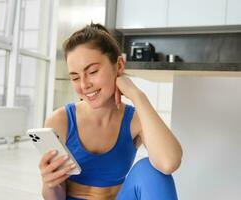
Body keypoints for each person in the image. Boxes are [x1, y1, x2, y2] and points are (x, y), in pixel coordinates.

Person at [39, 23, 183, 200]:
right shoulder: (60, 121)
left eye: (92, 71)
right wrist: (49, 182)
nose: (84, 85)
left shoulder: (134, 120)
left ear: (119, 65)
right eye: (75, 77)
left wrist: (137, 96)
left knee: (151, 171)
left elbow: (168, 162)